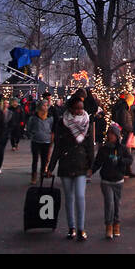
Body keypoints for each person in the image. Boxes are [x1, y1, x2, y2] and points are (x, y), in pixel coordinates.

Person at [48, 95, 94, 241]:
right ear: (71, 108)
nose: (80, 111)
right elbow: (58, 146)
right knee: (69, 197)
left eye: (81, 108)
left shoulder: (87, 122)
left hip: (81, 162)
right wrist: (51, 166)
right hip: (67, 161)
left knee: (80, 196)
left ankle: (81, 228)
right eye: (77, 108)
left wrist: (91, 165)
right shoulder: (62, 123)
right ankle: (72, 227)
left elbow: (89, 146)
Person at [92, 122, 132, 240]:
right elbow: (98, 162)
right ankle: (108, 225)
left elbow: (129, 160)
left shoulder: (122, 149)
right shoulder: (104, 149)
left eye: (113, 134)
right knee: (109, 203)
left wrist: (120, 161)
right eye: (109, 134)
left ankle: (116, 224)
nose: (111, 137)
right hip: (106, 180)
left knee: (117, 203)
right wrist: (91, 171)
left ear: (117, 136)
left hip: (118, 180)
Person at [26, 100, 54, 184]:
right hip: (36, 141)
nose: (45, 107)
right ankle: (33, 176)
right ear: (40, 106)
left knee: (44, 160)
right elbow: (29, 127)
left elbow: (51, 127)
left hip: (46, 141)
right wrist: (32, 135)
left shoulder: (50, 117)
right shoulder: (34, 117)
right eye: (43, 105)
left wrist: (50, 137)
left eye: (46, 106)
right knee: (35, 159)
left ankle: (42, 175)